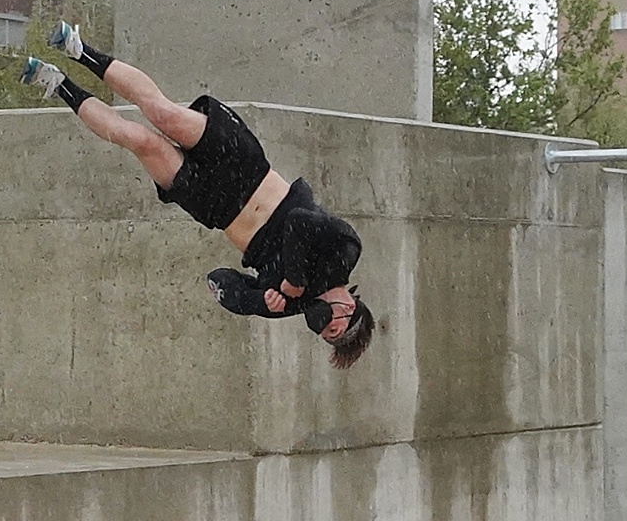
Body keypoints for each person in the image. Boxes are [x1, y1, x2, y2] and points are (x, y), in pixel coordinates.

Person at [22, 22, 376, 369]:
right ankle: (80, 51)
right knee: (162, 113)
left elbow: (219, 281)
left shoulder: (285, 304)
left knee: (139, 141)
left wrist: (258, 300)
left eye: (323, 336)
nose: (320, 327)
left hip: (213, 205)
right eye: (332, 329)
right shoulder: (345, 253)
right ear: (350, 308)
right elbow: (301, 222)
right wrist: (295, 279)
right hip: (244, 166)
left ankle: (58, 84)